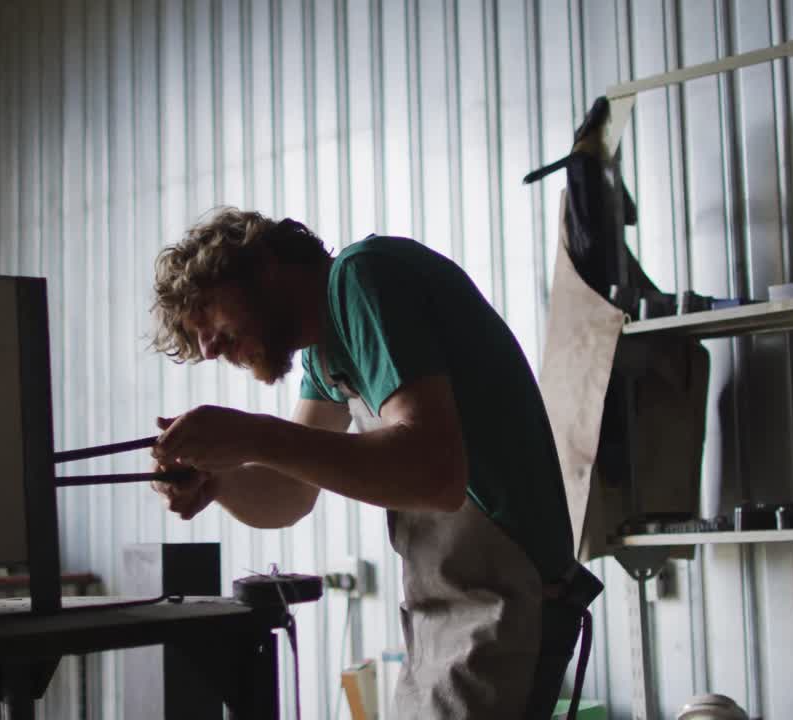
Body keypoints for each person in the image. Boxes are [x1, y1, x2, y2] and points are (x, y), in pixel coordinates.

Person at [148, 207, 600, 719]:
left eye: (207, 313)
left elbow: (435, 474)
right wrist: (217, 483)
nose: (208, 347)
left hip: (507, 603)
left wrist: (253, 436)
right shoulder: (324, 354)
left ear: (263, 266)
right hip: (448, 616)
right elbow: (288, 494)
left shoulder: (363, 276)